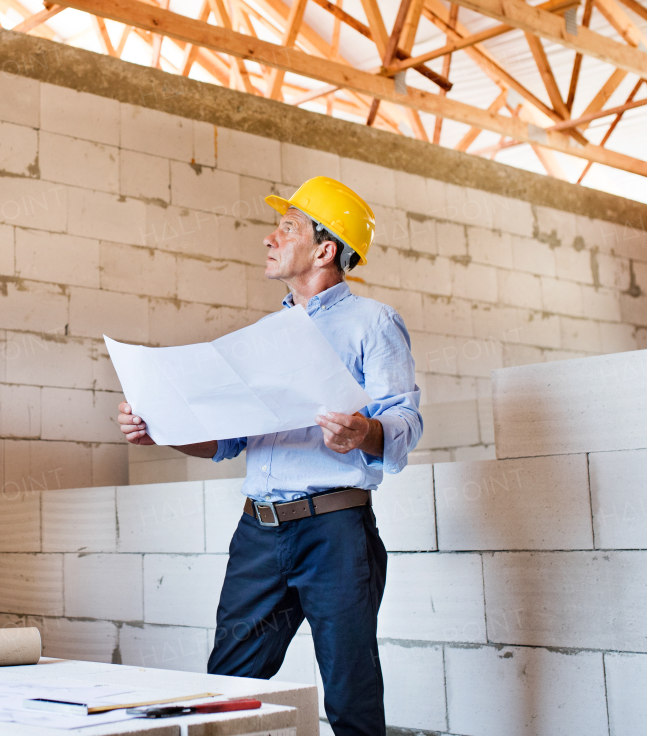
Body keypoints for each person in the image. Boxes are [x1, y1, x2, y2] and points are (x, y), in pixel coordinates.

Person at [116, 175, 422, 736]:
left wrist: (364, 431)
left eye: (287, 227)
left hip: (335, 533)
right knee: (227, 689)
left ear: (325, 250)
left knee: (351, 697)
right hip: (259, 534)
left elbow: (405, 420)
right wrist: (158, 430)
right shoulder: (266, 333)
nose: (270, 237)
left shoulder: (372, 323)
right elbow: (227, 441)